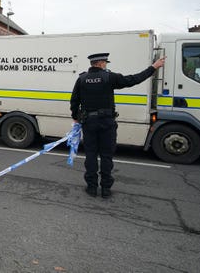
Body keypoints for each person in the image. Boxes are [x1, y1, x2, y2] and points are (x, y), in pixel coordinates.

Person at [70, 52, 166, 199]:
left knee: (90, 155)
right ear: (101, 63)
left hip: (89, 123)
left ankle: (92, 188)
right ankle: (106, 189)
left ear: (92, 63)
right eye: (105, 63)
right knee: (106, 156)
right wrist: (153, 67)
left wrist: (76, 118)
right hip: (106, 123)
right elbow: (134, 79)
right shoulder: (109, 77)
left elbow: (74, 101)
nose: (106, 65)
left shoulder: (82, 79)